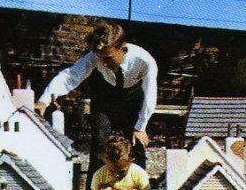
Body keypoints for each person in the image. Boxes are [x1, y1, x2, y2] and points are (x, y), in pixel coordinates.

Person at [35, 21, 157, 172]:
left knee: (136, 143)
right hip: (106, 96)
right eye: (101, 58)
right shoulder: (94, 57)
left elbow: (150, 94)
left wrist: (140, 127)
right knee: (100, 142)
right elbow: (70, 76)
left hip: (132, 97)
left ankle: (140, 185)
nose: (103, 63)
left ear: (123, 49)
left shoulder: (145, 61)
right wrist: (44, 100)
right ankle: (96, 185)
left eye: (108, 58)